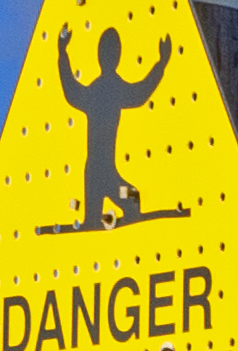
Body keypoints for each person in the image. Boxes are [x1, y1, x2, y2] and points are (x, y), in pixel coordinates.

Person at [55, 23, 172, 227]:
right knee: (131, 202)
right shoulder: (113, 89)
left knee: (107, 214)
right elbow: (141, 92)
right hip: (103, 173)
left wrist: (62, 53)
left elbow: (71, 87)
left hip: (97, 172)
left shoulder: (94, 91)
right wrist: (161, 63)